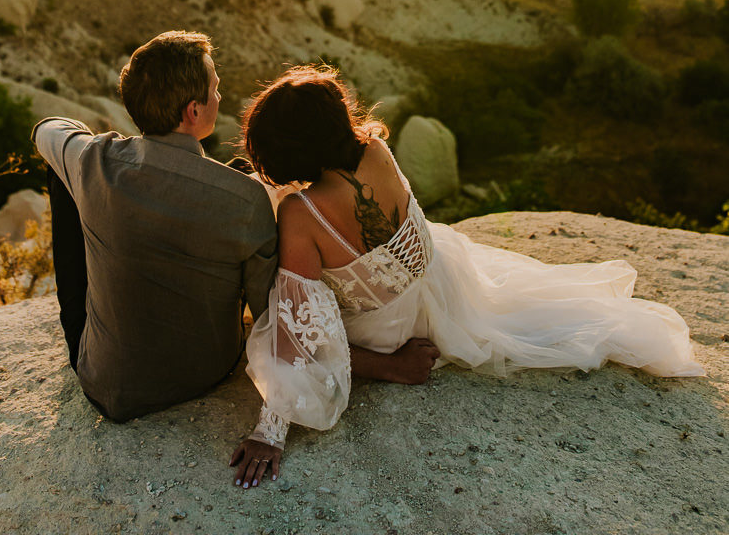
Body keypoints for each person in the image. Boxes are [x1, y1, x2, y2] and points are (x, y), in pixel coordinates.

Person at [230, 65, 705, 488]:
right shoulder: (373, 147)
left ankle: (383, 363)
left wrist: (269, 431)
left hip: (386, 329)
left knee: (273, 309)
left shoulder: (301, 212)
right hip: (439, 288)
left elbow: (303, 330)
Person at [34, 30, 278, 422]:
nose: (220, 96)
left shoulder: (94, 160)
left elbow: (46, 128)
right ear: (193, 112)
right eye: (215, 89)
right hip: (206, 372)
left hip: (106, 383)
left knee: (65, 179)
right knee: (241, 182)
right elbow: (266, 306)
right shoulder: (246, 198)